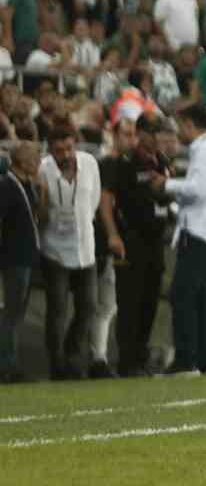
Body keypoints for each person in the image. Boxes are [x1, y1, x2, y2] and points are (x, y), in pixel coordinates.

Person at [151, 104, 206, 376]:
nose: (178, 132)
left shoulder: (205, 150)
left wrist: (166, 184)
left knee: (182, 295)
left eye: (179, 125)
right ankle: (205, 362)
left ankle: (186, 361)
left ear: (188, 124)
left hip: (198, 233)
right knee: (198, 299)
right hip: (205, 233)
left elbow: (196, 190)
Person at [101, 114, 171, 376]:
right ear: (140, 133)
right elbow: (106, 200)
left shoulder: (163, 161)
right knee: (129, 301)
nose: (158, 138)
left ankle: (140, 356)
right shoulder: (124, 162)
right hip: (131, 238)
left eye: (160, 133)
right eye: (153, 132)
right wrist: (113, 234)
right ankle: (127, 361)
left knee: (150, 301)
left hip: (155, 241)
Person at [38, 126, 103, 380]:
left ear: (74, 144)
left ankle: (72, 354)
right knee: (57, 310)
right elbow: (41, 214)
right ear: (50, 150)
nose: (65, 154)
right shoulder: (43, 169)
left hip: (85, 248)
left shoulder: (89, 164)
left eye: (68, 148)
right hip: (54, 248)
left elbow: (94, 201)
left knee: (88, 306)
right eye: (58, 151)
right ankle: (57, 365)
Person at [0, 141, 43, 382]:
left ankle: (10, 363)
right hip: (13, 258)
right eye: (34, 157)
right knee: (11, 315)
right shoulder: (7, 185)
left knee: (16, 314)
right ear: (22, 160)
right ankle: (7, 366)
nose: (38, 161)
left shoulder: (27, 184)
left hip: (26, 256)